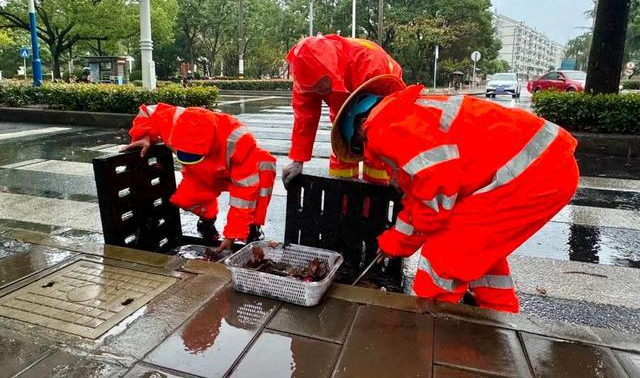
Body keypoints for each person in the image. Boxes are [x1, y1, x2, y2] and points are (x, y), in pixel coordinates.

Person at [331, 75, 579, 313]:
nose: (370, 156)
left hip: (532, 175)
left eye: (360, 149)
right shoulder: (405, 114)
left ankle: (428, 331)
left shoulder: (382, 130)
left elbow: (434, 200)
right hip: (545, 168)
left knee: (443, 257)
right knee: (476, 251)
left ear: (359, 133)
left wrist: (399, 243)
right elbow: (421, 198)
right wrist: (395, 242)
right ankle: (499, 318)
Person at [123, 103, 276, 251]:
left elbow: (244, 196)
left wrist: (231, 235)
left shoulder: (239, 142)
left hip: (232, 171)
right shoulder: (173, 120)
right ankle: (208, 217)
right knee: (185, 199)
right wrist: (144, 135)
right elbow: (147, 112)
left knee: (263, 166)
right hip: (201, 172)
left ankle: (252, 225)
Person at [282, 33, 404, 187]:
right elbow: (304, 119)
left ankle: (376, 202)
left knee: (377, 160)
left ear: (331, 70)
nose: (319, 91)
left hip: (381, 87)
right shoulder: (305, 78)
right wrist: (297, 161)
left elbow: (388, 123)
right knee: (343, 147)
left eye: (321, 85)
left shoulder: (369, 63)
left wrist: (394, 169)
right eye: (314, 88)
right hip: (345, 101)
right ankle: (343, 205)